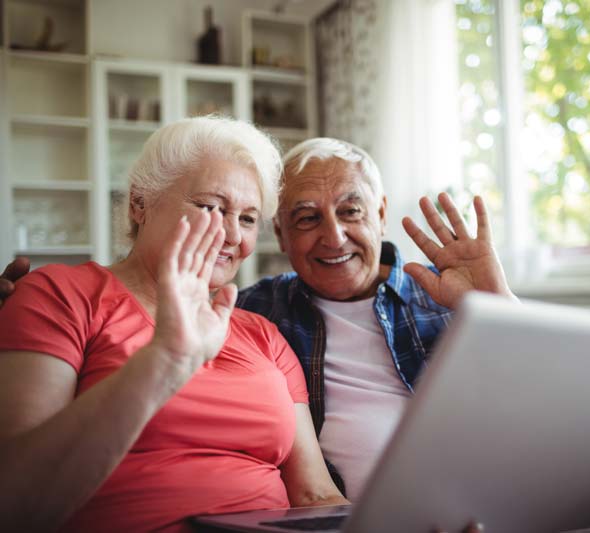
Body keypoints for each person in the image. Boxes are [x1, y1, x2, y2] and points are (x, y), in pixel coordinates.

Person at [2, 137, 590, 532]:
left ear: (381, 215)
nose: (331, 233)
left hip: (525, 502)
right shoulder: (259, 309)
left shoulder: (443, 292)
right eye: (303, 217)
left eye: (350, 210)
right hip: (404, 520)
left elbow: (570, 410)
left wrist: (498, 301)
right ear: (283, 234)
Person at [0, 117, 347, 532]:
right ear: (139, 204)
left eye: (249, 219)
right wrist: (165, 359)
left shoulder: (263, 335)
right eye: (210, 207)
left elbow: (316, 497)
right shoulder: (61, 295)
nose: (232, 234)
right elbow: (16, 501)